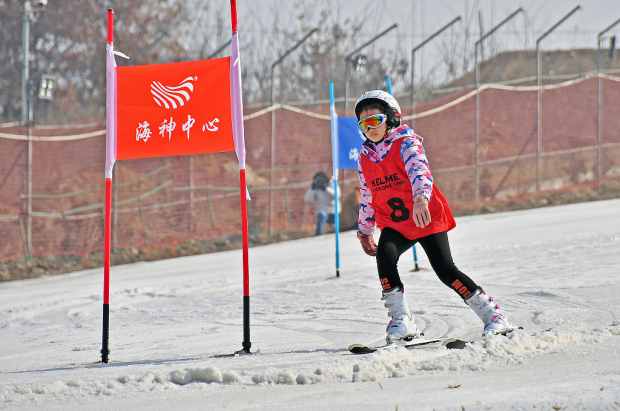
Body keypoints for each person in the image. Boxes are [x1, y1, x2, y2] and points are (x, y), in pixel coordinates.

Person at [354, 90, 515, 343]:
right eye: (363, 123)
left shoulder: (405, 143)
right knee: (385, 257)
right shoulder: (365, 156)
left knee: (445, 270)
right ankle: (402, 321)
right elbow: (367, 195)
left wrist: (420, 199)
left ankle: (495, 317)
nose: (369, 128)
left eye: (375, 120)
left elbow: (420, 172)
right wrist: (364, 230)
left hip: (425, 216)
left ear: (392, 118)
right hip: (397, 223)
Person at [304, 171, 341, 236]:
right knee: (321, 215)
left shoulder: (331, 184)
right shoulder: (315, 188)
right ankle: (319, 233)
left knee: (338, 222)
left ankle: (339, 231)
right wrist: (312, 190)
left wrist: (325, 188)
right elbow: (309, 200)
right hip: (322, 212)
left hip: (334, 211)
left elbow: (336, 195)